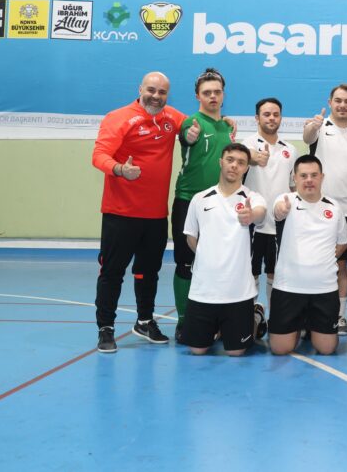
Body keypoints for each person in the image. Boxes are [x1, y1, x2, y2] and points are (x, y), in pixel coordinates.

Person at [91, 72, 186, 353]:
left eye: (162, 92)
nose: (156, 96)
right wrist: (120, 169)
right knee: (112, 273)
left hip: (155, 216)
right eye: (151, 90)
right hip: (120, 213)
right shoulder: (118, 117)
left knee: (148, 273)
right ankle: (106, 328)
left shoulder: (170, 117)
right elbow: (98, 155)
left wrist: (225, 122)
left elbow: (198, 124)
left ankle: (144, 321)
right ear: (140, 89)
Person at [179, 143, 268, 356]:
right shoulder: (200, 199)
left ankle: (255, 316)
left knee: (236, 352)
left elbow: (261, 213)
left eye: (241, 162)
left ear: (246, 168)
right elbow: (191, 237)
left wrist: (251, 215)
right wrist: (209, 255)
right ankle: (218, 328)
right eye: (230, 160)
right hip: (204, 290)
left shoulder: (252, 198)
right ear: (221, 162)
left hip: (238, 291)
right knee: (197, 350)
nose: (234, 165)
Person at [170, 68, 236, 341]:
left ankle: (213, 318)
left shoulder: (227, 127)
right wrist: (189, 136)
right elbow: (186, 136)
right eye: (207, 92)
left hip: (219, 205)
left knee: (215, 262)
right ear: (197, 96)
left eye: (217, 92)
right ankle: (183, 321)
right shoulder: (191, 123)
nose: (212, 97)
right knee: (186, 263)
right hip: (188, 202)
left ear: (223, 95)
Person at [268, 155, 347, 356]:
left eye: (314, 175)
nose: (309, 180)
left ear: (322, 177)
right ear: (295, 178)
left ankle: (308, 325)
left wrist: (325, 259)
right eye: (303, 176)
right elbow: (278, 212)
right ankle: (298, 325)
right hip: (288, 288)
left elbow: (343, 242)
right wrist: (282, 210)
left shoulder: (334, 207)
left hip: (324, 289)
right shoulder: (285, 200)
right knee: (280, 349)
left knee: (326, 349)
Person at [303, 84, 347, 336]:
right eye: (338, 100)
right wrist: (312, 126)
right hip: (316, 208)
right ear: (330, 102)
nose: (342, 105)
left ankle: (339, 317)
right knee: (311, 262)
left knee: (341, 266)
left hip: (346, 210)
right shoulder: (318, 126)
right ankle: (308, 315)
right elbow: (307, 137)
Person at [242, 97, 297, 304]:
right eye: (266, 114)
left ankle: (275, 318)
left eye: (276, 114)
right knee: (251, 272)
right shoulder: (246, 145)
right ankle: (250, 315)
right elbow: (237, 163)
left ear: (281, 118)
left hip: (279, 223)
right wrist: (251, 157)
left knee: (276, 274)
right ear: (257, 118)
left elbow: (294, 187)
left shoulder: (290, 150)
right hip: (252, 224)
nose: (272, 118)